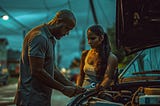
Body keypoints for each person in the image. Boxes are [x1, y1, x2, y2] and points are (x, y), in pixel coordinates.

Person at [14, 9, 85, 106]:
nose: (67, 33)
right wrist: (63, 89)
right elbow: (37, 71)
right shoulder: (39, 37)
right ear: (58, 21)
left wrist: (71, 85)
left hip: (41, 99)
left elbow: (53, 70)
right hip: (30, 99)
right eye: (66, 28)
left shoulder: (50, 39)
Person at [76, 25, 118, 90]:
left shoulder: (111, 58)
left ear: (101, 38)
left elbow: (108, 78)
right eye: (88, 39)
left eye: (93, 38)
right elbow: (81, 75)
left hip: (98, 92)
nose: (89, 42)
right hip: (83, 92)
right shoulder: (85, 54)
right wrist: (77, 89)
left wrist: (99, 88)